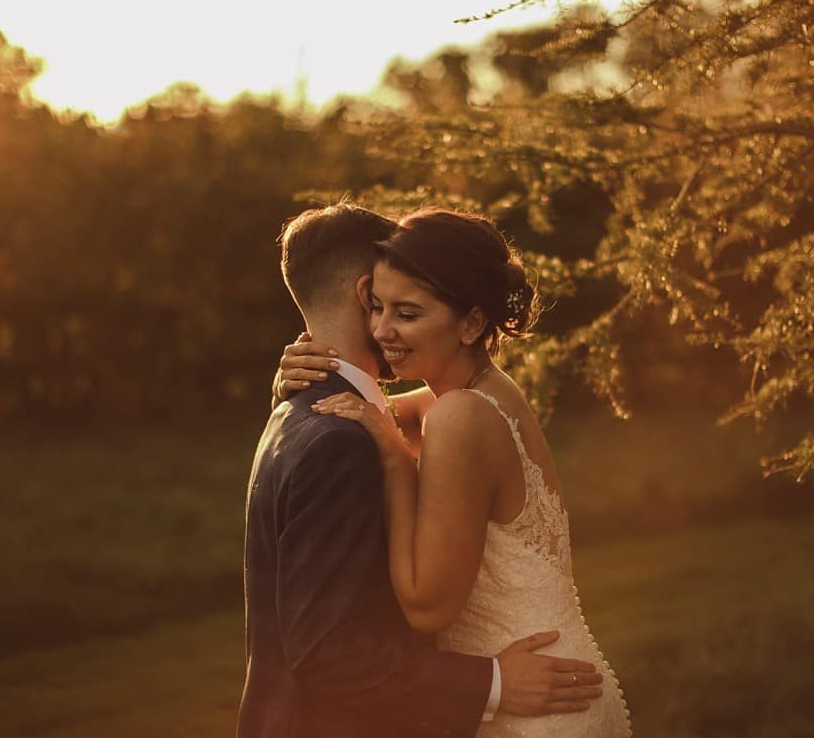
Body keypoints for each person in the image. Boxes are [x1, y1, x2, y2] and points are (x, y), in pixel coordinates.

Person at [239, 202, 605, 738]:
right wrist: (294, 382)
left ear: (472, 321)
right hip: (531, 684)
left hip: (537, 694)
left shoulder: (450, 413)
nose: (386, 327)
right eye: (381, 307)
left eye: (406, 312)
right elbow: (369, 415)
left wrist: (390, 455)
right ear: (366, 294)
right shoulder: (450, 401)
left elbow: (421, 608)